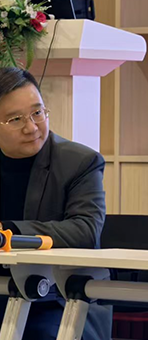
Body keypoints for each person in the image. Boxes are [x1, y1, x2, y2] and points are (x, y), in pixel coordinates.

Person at [0, 67, 111, 339]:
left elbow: (85, 230)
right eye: (16, 119)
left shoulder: (80, 162)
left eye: (37, 113)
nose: (31, 127)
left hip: (60, 299)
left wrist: (10, 230)